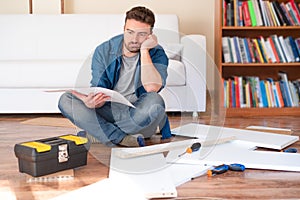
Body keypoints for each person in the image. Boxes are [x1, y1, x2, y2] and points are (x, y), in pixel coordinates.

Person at [58, 6, 172, 147]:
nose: (134, 39)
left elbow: (152, 87)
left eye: (141, 34)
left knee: (155, 101)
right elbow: (99, 88)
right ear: (124, 28)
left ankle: (99, 132)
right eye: (129, 32)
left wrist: (144, 50)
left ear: (150, 34)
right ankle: (122, 138)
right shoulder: (104, 50)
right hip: (109, 109)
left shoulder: (157, 53)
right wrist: (93, 102)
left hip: (137, 113)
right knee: (66, 100)